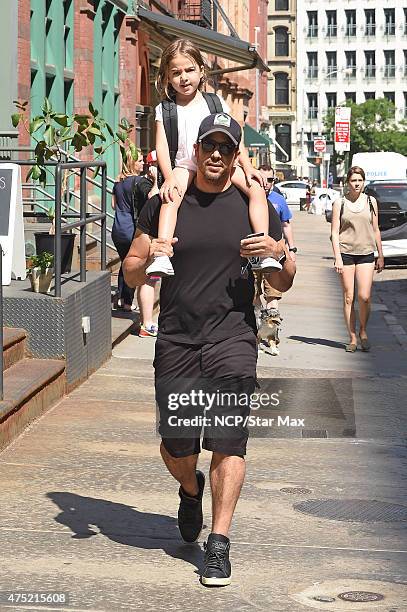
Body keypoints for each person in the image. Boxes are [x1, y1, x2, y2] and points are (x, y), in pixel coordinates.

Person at [123, 114, 295, 586]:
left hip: (233, 338)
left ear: (236, 154)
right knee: (178, 445)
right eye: (208, 145)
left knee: (228, 440)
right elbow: (131, 270)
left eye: (226, 146)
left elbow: (284, 278)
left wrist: (276, 255)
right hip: (177, 339)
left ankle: (218, 544)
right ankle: (189, 486)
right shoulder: (167, 201)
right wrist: (150, 254)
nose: (216, 154)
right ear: (196, 151)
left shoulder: (251, 203)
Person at [145, 38, 281, 278]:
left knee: (256, 189)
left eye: (189, 70)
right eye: (176, 73)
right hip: (185, 164)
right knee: (171, 198)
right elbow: (162, 147)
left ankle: (262, 249)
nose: (183, 78)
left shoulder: (215, 102)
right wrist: (167, 178)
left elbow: (237, 138)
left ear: (201, 71)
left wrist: (248, 167)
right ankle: (163, 253)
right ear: (167, 76)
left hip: (220, 161)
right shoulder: (165, 109)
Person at [330, 165, 384, 352]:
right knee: (348, 297)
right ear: (347, 183)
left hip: (366, 253)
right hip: (345, 253)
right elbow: (335, 233)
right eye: (353, 181)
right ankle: (352, 337)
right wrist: (337, 257)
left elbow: (376, 230)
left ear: (364, 182)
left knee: (364, 296)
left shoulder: (371, 202)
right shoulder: (340, 203)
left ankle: (363, 330)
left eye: (360, 180)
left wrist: (381, 254)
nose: (357, 184)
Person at [256, 169, 297, 350]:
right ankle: (257, 327)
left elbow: (286, 225)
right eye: (262, 179)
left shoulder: (278, 200)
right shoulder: (248, 196)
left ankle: (271, 334)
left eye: (270, 179)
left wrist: (292, 248)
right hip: (253, 254)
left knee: (273, 294)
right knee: (253, 294)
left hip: (275, 253)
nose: (266, 183)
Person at [111, 148, 144, 311]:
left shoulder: (117, 182)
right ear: (132, 163)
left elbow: (113, 205)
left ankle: (121, 297)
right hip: (130, 228)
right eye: (140, 161)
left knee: (124, 263)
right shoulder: (138, 182)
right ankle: (127, 301)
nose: (143, 163)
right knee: (132, 264)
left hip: (117, 227)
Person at [134, 151, 160, 337]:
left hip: (147, 236)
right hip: (146, 238)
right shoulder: (144, 183)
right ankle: (147, 323)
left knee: (147, 279)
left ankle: (145, 320)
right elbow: (153, 197)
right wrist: (158, 180)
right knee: (148, 280)